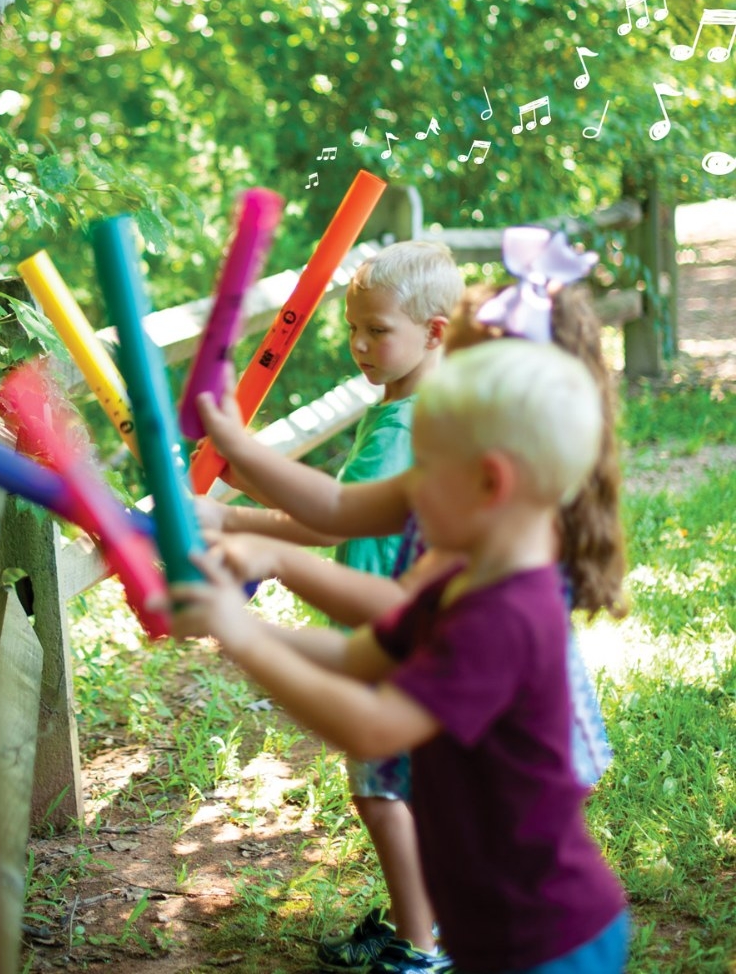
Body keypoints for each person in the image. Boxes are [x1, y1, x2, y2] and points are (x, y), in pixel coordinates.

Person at [167, 339, 631, 974]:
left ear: (489, 482)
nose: (403, 496)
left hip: (547, 939)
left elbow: (371, 724)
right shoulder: (461, 576)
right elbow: (359, 653)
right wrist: (237, 627)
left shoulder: (505, 616)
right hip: (493, 925)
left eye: (421, 472)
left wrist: (242, 636)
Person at [198, 240, 464, 972]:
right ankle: (433, 921)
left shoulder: (402, 428)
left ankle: (421, 947)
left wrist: (232, 519)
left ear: (434, 331)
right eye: (354, 327)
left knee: (380, 792)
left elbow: (338, 518)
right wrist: (240, 494)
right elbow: (337, 506)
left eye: (378, 330)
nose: (359, 345)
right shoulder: (425, 406)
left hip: (388, 637)